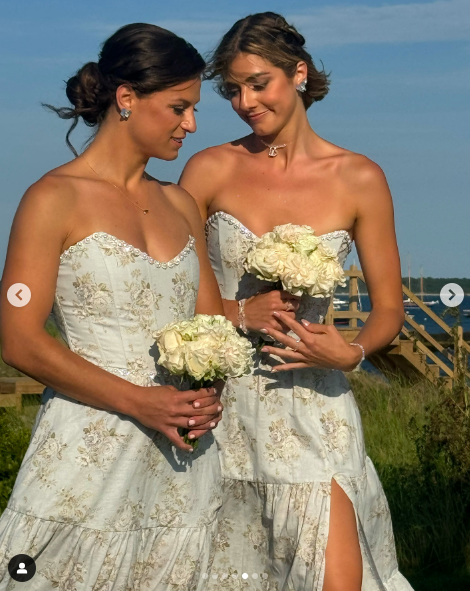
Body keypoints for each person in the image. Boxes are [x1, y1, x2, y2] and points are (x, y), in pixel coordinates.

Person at [180, 11, 413, 591]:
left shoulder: (359, 177)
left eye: (259, 83)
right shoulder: (208, 169)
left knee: (339, 581)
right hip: (222, 405)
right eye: (233, 89)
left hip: (316, 408)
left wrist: (351, 353)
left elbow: (389, 308)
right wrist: (237, 314)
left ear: (299, 74)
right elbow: (171, 285)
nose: (244, 102)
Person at [0, 23, 224, 590]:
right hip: (87, 448)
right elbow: (20, 339)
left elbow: (212, 330)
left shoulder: (180, 203)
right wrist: (140, 402)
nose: (190, 125)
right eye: (178, 107)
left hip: (183, 456)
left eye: (193, 109)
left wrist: (209, 394)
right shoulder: (53, 198)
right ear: (127, 98)